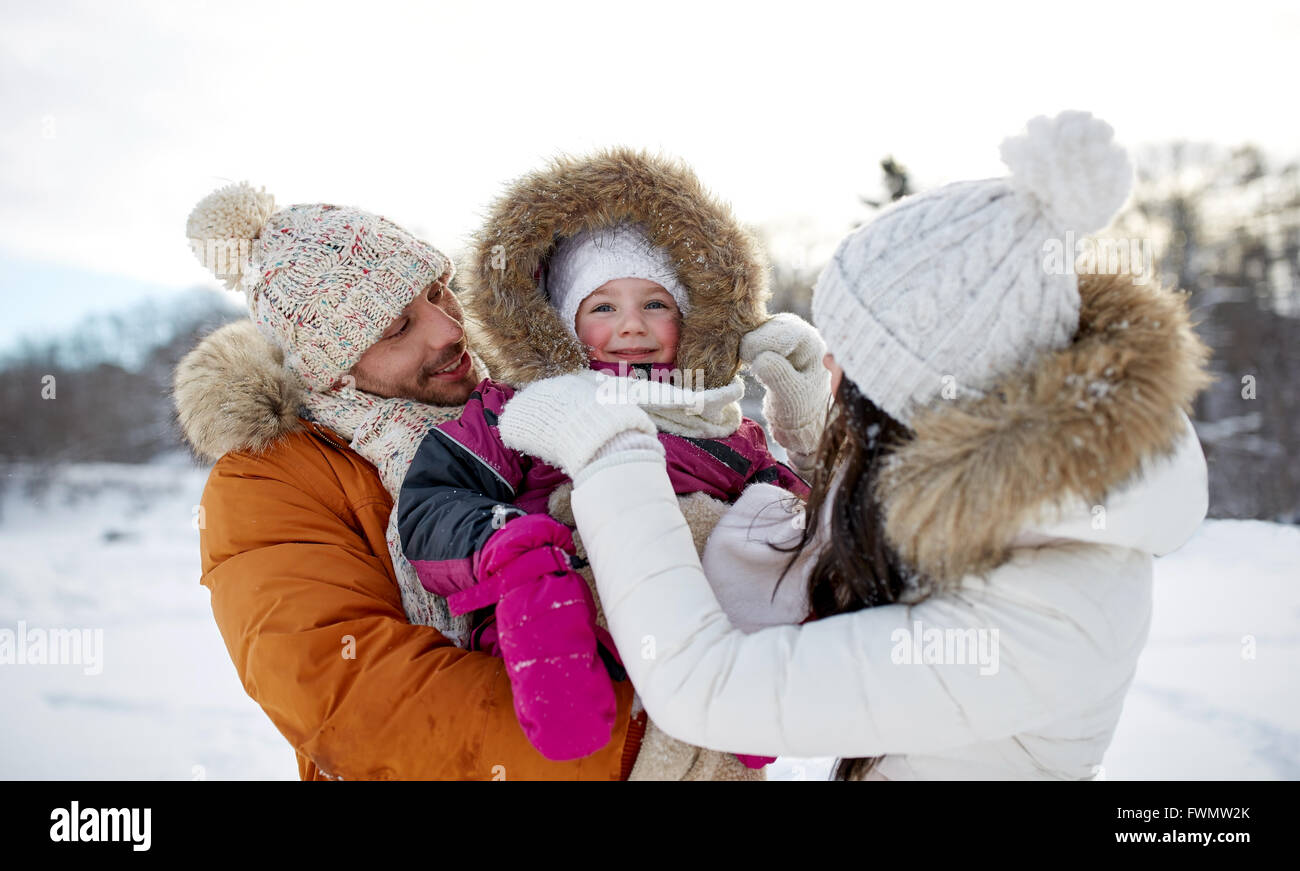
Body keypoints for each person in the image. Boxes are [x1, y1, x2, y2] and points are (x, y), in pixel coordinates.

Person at [494, 111, 1213, 780]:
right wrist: (810, 430)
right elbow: (859, 538)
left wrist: (612, 451)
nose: (833, 369)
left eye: (854, 366)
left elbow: (703, 684)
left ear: (910, 399)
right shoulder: (1016, 500)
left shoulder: (1050, 616)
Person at [349, 149, 829, 779]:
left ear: (691, 316)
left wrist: (801, 415)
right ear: (563, 323)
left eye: (656, 304)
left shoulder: (717, 418)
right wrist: (505, 543)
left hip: (700, 617)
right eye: (603, 307)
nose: (632, 327)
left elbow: (802, 508)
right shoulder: (520, 408)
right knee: (547, 568)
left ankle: (753, 688)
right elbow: (436, 499)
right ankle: (558, 675)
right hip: (567, 577)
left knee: (764, 526)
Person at [172, 182, 645, 780]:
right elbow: (355, 698)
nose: (449, 328)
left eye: (437, 291)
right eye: (398, 327)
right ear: (333, 372)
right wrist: (636, 737)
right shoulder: (267, 481)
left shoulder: (529, 406)